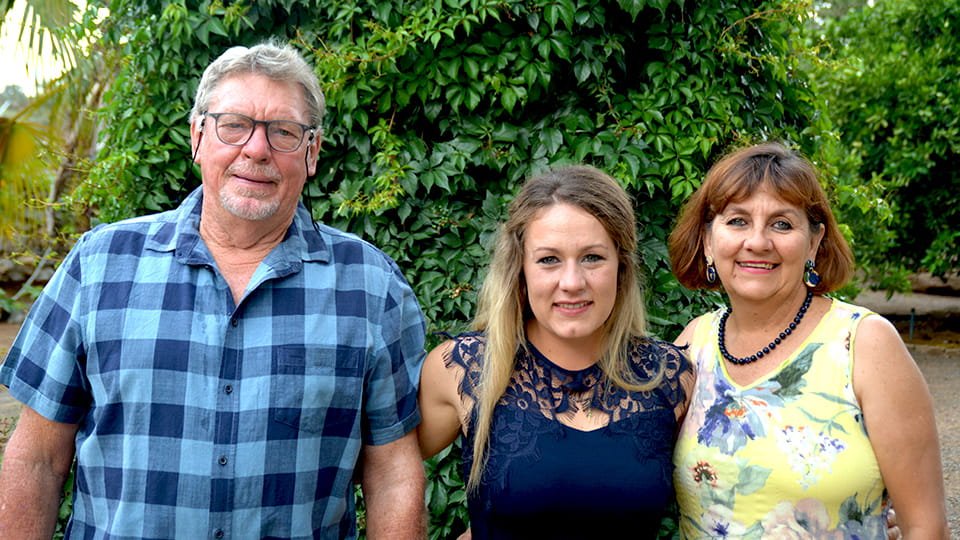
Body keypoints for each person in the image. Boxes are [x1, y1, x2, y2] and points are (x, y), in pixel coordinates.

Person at [0, 41, 427, 539]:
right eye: (234, 125)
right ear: (198, 136)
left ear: (311, 153)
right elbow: (36, 458)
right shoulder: (99, 265)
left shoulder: (371, 286)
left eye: (283, 132)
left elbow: (393, 472)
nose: (256, 149)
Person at [668, 141, 948, 538]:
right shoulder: (694, 344)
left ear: (814, 242)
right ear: (709, 240)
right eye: (737, 221)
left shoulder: (864, 344)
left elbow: (925, 528)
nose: (758, 242)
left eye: (782, 224)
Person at [417, 164, 694, 538]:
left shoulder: (671, 376)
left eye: (593, 257)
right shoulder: (463, 369)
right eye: (549, 259)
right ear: (521, 269)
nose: (572, 283)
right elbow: (385, 469)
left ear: (621, 266)